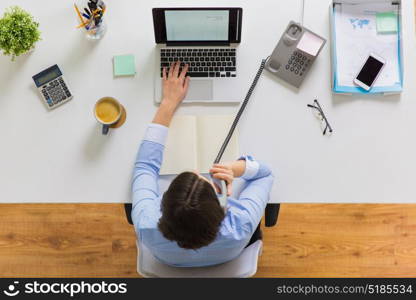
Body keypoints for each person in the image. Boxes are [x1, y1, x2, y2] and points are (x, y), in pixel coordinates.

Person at [131, 62, 274, 267]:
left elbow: (145, 166)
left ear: (163, 204)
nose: (197, 170)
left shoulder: (146, 222)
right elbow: (265, 174)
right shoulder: (241, 224)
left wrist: (168, 103)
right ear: (221, 204)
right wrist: (236, 168)